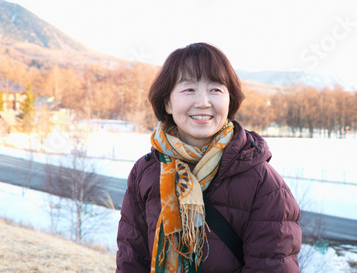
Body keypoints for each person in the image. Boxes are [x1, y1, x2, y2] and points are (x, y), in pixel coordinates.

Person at [116, 43, 302, 272]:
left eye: (215, 89)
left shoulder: (263, 182)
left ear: (230, 100)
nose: (203, 102)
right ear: (167, 103)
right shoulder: (145, 171)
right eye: (189, 90)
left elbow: (273, 266)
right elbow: (131, 260)